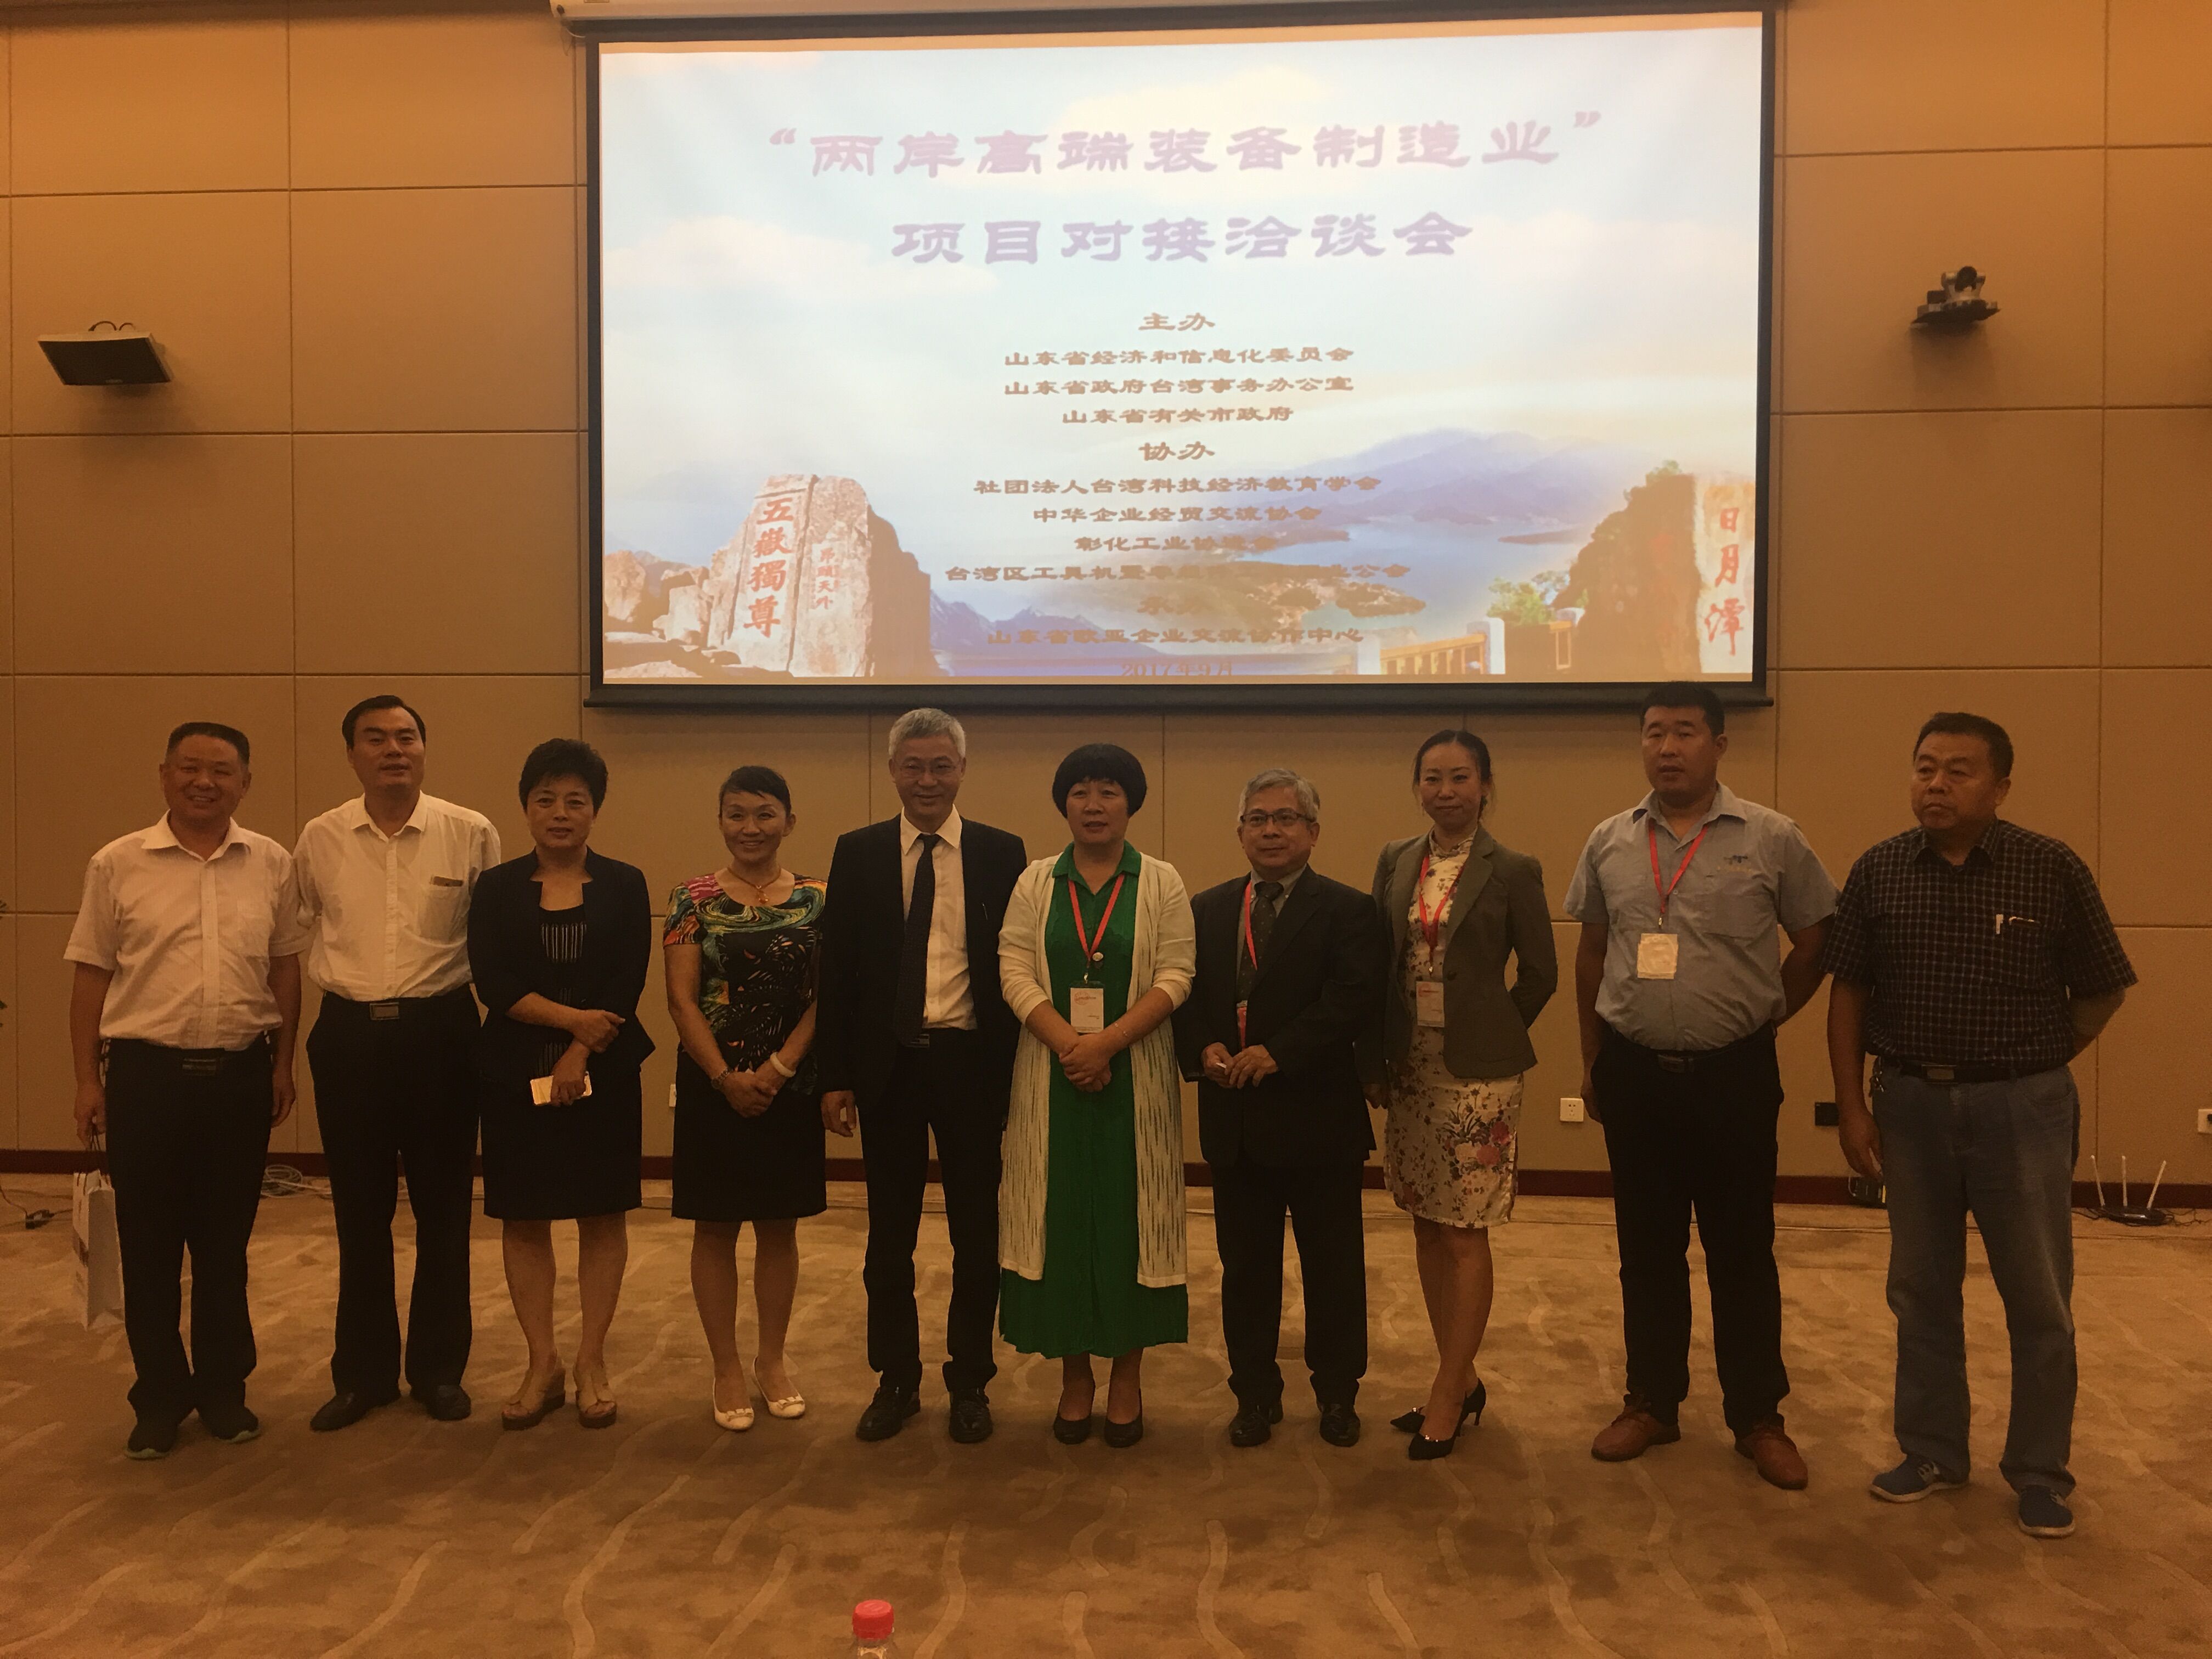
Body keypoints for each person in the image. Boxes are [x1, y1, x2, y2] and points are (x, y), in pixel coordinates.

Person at [1824, 714, 2134, 1541]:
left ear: (2000, 787)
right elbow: (1848, 991)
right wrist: (1852, 1105)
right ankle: (1932, 1452)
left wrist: (2035, 1061)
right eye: (1925, 767)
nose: (1936, 784)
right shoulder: (1880, 869)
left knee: (2038, 1296)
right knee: (1921, 1288)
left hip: (2022, 1109)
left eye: (1958, 771)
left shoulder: (2050, 867)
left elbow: (2103, 986)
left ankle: (2039, 1471)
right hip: (1910, 1106)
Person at [1565, 681, 1836, 1490]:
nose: (1667, 747)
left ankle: (1758, 1417)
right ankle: (1651, 1403)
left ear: (1719, 744)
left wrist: (1765, 1016)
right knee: (1646, 1250)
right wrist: (1593, 1060)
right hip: (1635, 1072)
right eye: (1654, 732)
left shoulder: (1771, 837)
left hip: (1734, 1077)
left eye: (1685, 732)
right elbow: (1592, 953)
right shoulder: (1611, 840)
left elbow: (1816, 941)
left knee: (1742, 1249)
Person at [65, 723, 309, 1459]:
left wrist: (281, 1065)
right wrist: (86, 1079)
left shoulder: (271, 862)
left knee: (224, 1248)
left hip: (238, 1077)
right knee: (149, 1249)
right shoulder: (118, 862)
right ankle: (161, 1397)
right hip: (146, 1080)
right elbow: (91, 974)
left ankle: (224, 1391)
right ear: (165, 775)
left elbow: (285, 969)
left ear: (245, 784)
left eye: (222, 771)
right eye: (191, 768)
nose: (206, 782)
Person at [817, 709, 1029, 1444]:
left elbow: (1016, 965)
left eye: (941, 766)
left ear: (962, 770)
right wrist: (835, 1075)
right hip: (890, 1068)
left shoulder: (1003, 852)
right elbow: (838, 972)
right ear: (892, 772)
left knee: (977, 1234)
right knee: (889, 1237)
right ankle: (896, 1379)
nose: (928, 780)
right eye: (914, 766)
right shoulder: (859, 852)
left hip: (972, 1065)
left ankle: (970, 1381)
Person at [295, 696, 500, 1431]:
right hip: (350, 1037)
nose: (394, 750)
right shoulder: (320, 837)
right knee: (359, 1213)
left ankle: (438, 1372)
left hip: (441, 1033)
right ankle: (364, 1376)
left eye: (407, 737)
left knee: (444, 1211)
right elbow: (299, 930)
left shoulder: (469, 832)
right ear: (352, 754)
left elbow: (492, 938)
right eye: (376, 739)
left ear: (424, 748)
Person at [1175, 768, 1385, 1450]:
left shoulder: (1349, 910)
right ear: (1240, 832)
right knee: (1246, 1272)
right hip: (1235, 1119)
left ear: (1313, 832)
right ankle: (1254, 1395)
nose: (1271, 830)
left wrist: (1278, 1053)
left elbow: (1353, 1000)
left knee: (1333, 1269)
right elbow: (1182, 993)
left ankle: (1337, 1394)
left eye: (1286, 818)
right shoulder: (1206, 908)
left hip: (1318, 1118)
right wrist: (1201, 1046)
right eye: (1258, 819)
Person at [1364, 731, 1558, 1460]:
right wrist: (1375, 1057)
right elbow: (1381, 962)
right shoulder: (1395, 859)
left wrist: (1493, 1030)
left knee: (1464, 1231)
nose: (1445, 791)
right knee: (1424, 1222)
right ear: (1417, 787)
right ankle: (1462, 1375)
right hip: (1411, 1069)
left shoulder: (1513, 869)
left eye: (1460, 777)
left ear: (1485, 785)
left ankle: (1448, 1391)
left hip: (1479, 1078)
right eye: (1432, 778)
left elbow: (1540, 973)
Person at [998, 743, 1195, 1447]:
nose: (1093, 804)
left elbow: (1176, 975)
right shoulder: (1035, 880)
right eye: (1080, 791)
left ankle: (1127, 1376)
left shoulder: (1162, 881)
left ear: (1131, 802)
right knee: (1056, 1223)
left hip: (1134, 1080)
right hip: (1050, 1078)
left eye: (1109, 791)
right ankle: (1075, 1376)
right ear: (1064, 804)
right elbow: (1014, 969)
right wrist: (1070, 1046)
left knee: (1130, 1223)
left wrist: (1106, 1044)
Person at [467, 740, 654, 1431]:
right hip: (513, 1073)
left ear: (595, 810)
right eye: (545, 799)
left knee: (602, 1215)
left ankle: (592, 1362)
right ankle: (541, 1362)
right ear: (525, 808)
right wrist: (573, 1023)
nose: (560, 813)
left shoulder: (626, 883)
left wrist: (580, 1052)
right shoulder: (496, 887)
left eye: (576, 800)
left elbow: (627, 981)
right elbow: (494, 981)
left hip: (606, 1072)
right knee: (525, 1216)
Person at [665, 765, 826, 1432]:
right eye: (736, 814)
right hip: (713, 1085)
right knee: (715, 1226)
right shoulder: (691, 898)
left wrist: (779, 1069)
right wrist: (726, 1077)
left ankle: (772, 1360)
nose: (750, 828)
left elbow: (828, 996)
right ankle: (726, 1367)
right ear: (721, 821)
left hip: (790, 1083)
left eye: (764, 814)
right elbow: (681, 999)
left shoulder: (819, 897)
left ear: (789, 821)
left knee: (779, 1226)